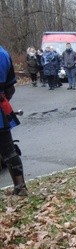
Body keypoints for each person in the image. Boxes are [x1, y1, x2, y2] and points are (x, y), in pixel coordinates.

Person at [0, 45, 28, 196]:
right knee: (8, 150)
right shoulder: (3, 53)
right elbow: (10, 87)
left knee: (8, 149)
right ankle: (20, 186)